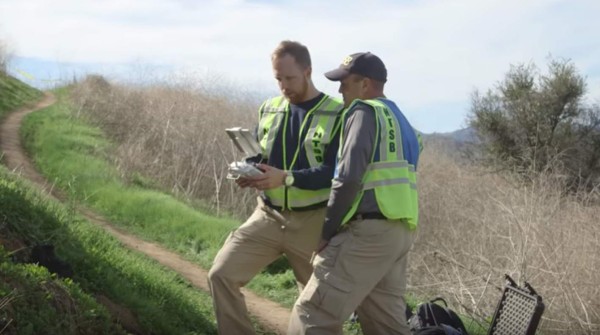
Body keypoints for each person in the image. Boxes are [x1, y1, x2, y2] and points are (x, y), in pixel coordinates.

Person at [207, 40, 345, 334]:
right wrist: (251, 171)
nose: (283, 85)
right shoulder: (269, 108)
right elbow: (261, 155)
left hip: (312, 222)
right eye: (278, 78)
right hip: (267, 215)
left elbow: (333, 172)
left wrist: (285, 177)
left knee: (317, 308)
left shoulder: (338, 113)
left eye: (290, 78)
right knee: (221, 275)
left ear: (308, 71)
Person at [288, 52, 422, 335]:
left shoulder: (363, 112)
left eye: (345, 83)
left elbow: (347, 179)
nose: (339, 90)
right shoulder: (402, 123)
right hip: (399, 234)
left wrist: (327, 231)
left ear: (366, 85)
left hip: (367, 233)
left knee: (313, 313)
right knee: (386, 324)